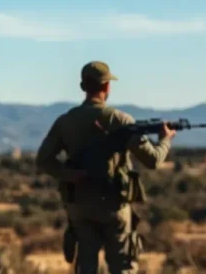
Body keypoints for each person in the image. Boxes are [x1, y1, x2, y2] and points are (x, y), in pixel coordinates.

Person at [35, 61, 175, 274]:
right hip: (113, 205)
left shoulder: (66, 121)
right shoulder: (120, 120)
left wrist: (70, 175)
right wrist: (165, 140)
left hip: (80, 205)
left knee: (86, 267)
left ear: (83, 86)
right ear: (107, 86)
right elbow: (153, 160)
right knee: (122, 267)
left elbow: (43, 160)